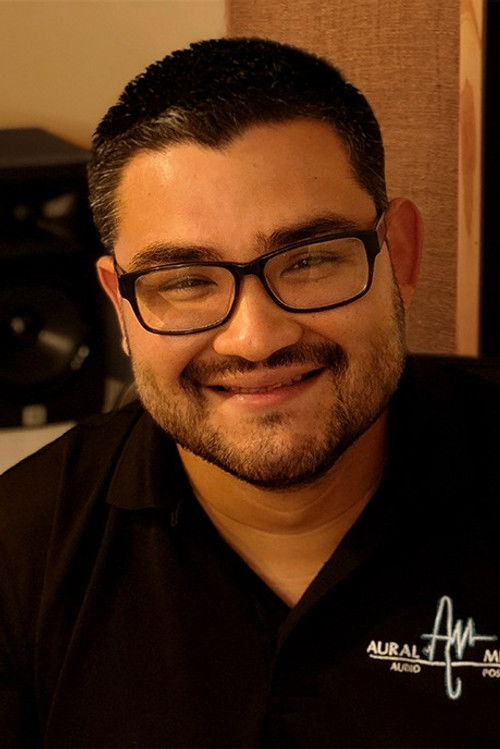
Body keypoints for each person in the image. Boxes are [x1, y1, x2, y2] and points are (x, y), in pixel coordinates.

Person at [1, 37, 499, 749]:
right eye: (185, 281)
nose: (254, 338)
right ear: (120, 305)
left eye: (309, 260)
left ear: (402, 255)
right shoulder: (21, 551)